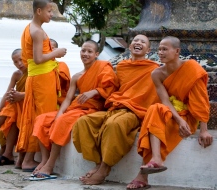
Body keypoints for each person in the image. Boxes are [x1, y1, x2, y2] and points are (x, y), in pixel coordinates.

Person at [126, 36, 213, 190]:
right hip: (173, 113)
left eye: (165, 49)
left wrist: (204, 130)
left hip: (189, 116)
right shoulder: (157, 74)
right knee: (154, 109)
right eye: (159, 49)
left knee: (155, 123)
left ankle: (143, 175)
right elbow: (165, 101)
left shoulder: (192, 69)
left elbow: (201, 101)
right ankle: (156, 159)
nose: (160, 52)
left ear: (177, 51)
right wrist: (178, 120)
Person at [72, 35, 160, 185]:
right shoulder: (121, 66)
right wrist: (97, 92)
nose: (138, 43)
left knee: (114, 125)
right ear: (130, 46)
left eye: (143, 42)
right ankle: (98, 164)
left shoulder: (154, 69)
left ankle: (105, 168)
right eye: (135, 41)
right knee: (83, 122)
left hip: (134, 111)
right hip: (115, 107)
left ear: (148, 49)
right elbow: (112, 89)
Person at [30, 40, 119, 180]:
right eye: (83, 50)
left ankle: (50, 165)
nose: (85, 54)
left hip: (93, 109)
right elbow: (68, 99)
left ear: (96, 54)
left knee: (63, 121)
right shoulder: (77, 76)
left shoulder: (103, 67)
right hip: (76, 107)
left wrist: (95, 91)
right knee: (41, 119)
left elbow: (111, 89)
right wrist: (59, 113)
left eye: (90, 51)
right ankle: (44, 159)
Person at [15, 0, 67, 172]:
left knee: (37, 115)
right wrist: (56, 53)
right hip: (42, 76)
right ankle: (42, 160)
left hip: (38, 76)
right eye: (49, 11)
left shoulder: (30, 28)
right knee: (44, 117)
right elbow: (37, 59)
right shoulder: (37, 31)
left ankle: (28, 159)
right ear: (39, 11)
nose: (51, 14)